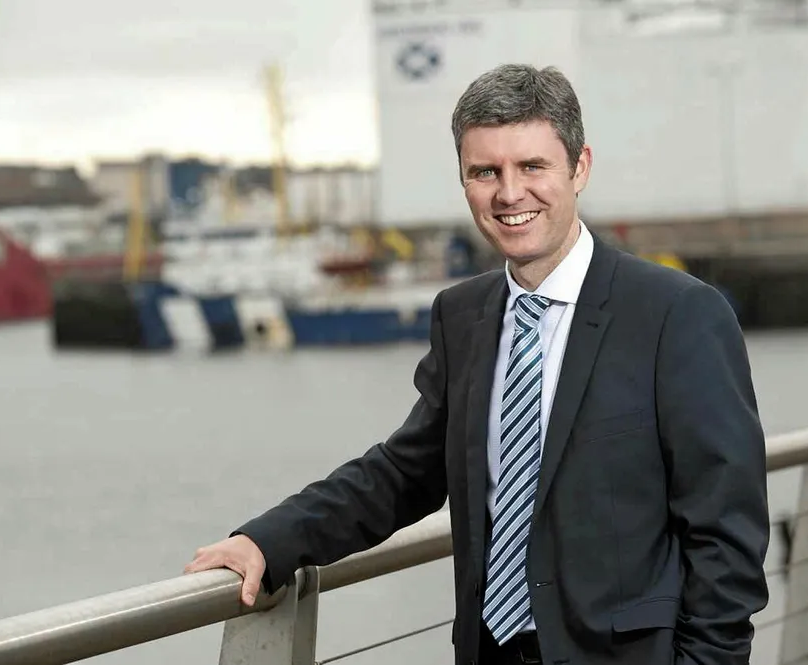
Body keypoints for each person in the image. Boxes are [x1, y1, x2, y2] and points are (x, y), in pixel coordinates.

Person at [185, 63, 770, 665]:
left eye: (532, 166)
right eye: (485, 171)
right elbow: (405, 472)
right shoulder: (461, 314)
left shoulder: (677, 314)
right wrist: (268, 541)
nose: (509, 193)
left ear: (580, 168)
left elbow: (726, 528)